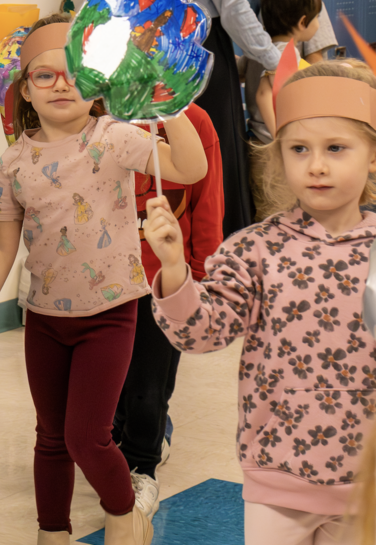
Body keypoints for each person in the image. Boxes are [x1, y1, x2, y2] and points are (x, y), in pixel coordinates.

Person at [0, 14, 208, 545]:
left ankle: (124, 518)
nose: (62, 83)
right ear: (25, 90)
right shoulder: (15, 162)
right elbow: (1, 244)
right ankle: (53, 533)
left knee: (86, 436)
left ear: (98, 87)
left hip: (111, 313)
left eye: (74, 73)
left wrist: (168, 102)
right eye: (44, 75)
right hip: (44, 318)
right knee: (50, 438)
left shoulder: (115, 137)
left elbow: (189, 166)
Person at [144, 60, 376, 545]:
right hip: (277, 474)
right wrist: (172, 269)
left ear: (372, 156)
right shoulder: (254, 249)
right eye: (298, 149)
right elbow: (202, 333)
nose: (316, 165)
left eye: (336, 148)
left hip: (367, 483)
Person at [141, 0, 281, 237]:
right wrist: (274, 59)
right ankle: (226, 252)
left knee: (185, 153)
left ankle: (190, 255)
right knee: (218, 154)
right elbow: (230, 2)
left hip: (167, 45)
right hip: (204, 44)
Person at [112, 103, 225, 519]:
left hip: (162, 276)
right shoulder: (92, 113)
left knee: (150, 383)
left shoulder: (192, 120)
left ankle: (143, 462)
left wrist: (200, 272)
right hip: (104, 274)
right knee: (114, 379)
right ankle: (121, 441)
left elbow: (207, 199)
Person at [244, 0, 322, 217]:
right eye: (316, 17)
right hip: (271, 150)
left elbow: (241, 73)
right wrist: (282, 139)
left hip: (258, 143)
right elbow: (263, 94)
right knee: (278, 214)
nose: (318, 23)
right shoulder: (283, 55)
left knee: (272, 213)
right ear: (302, 22)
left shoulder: (260, 51)